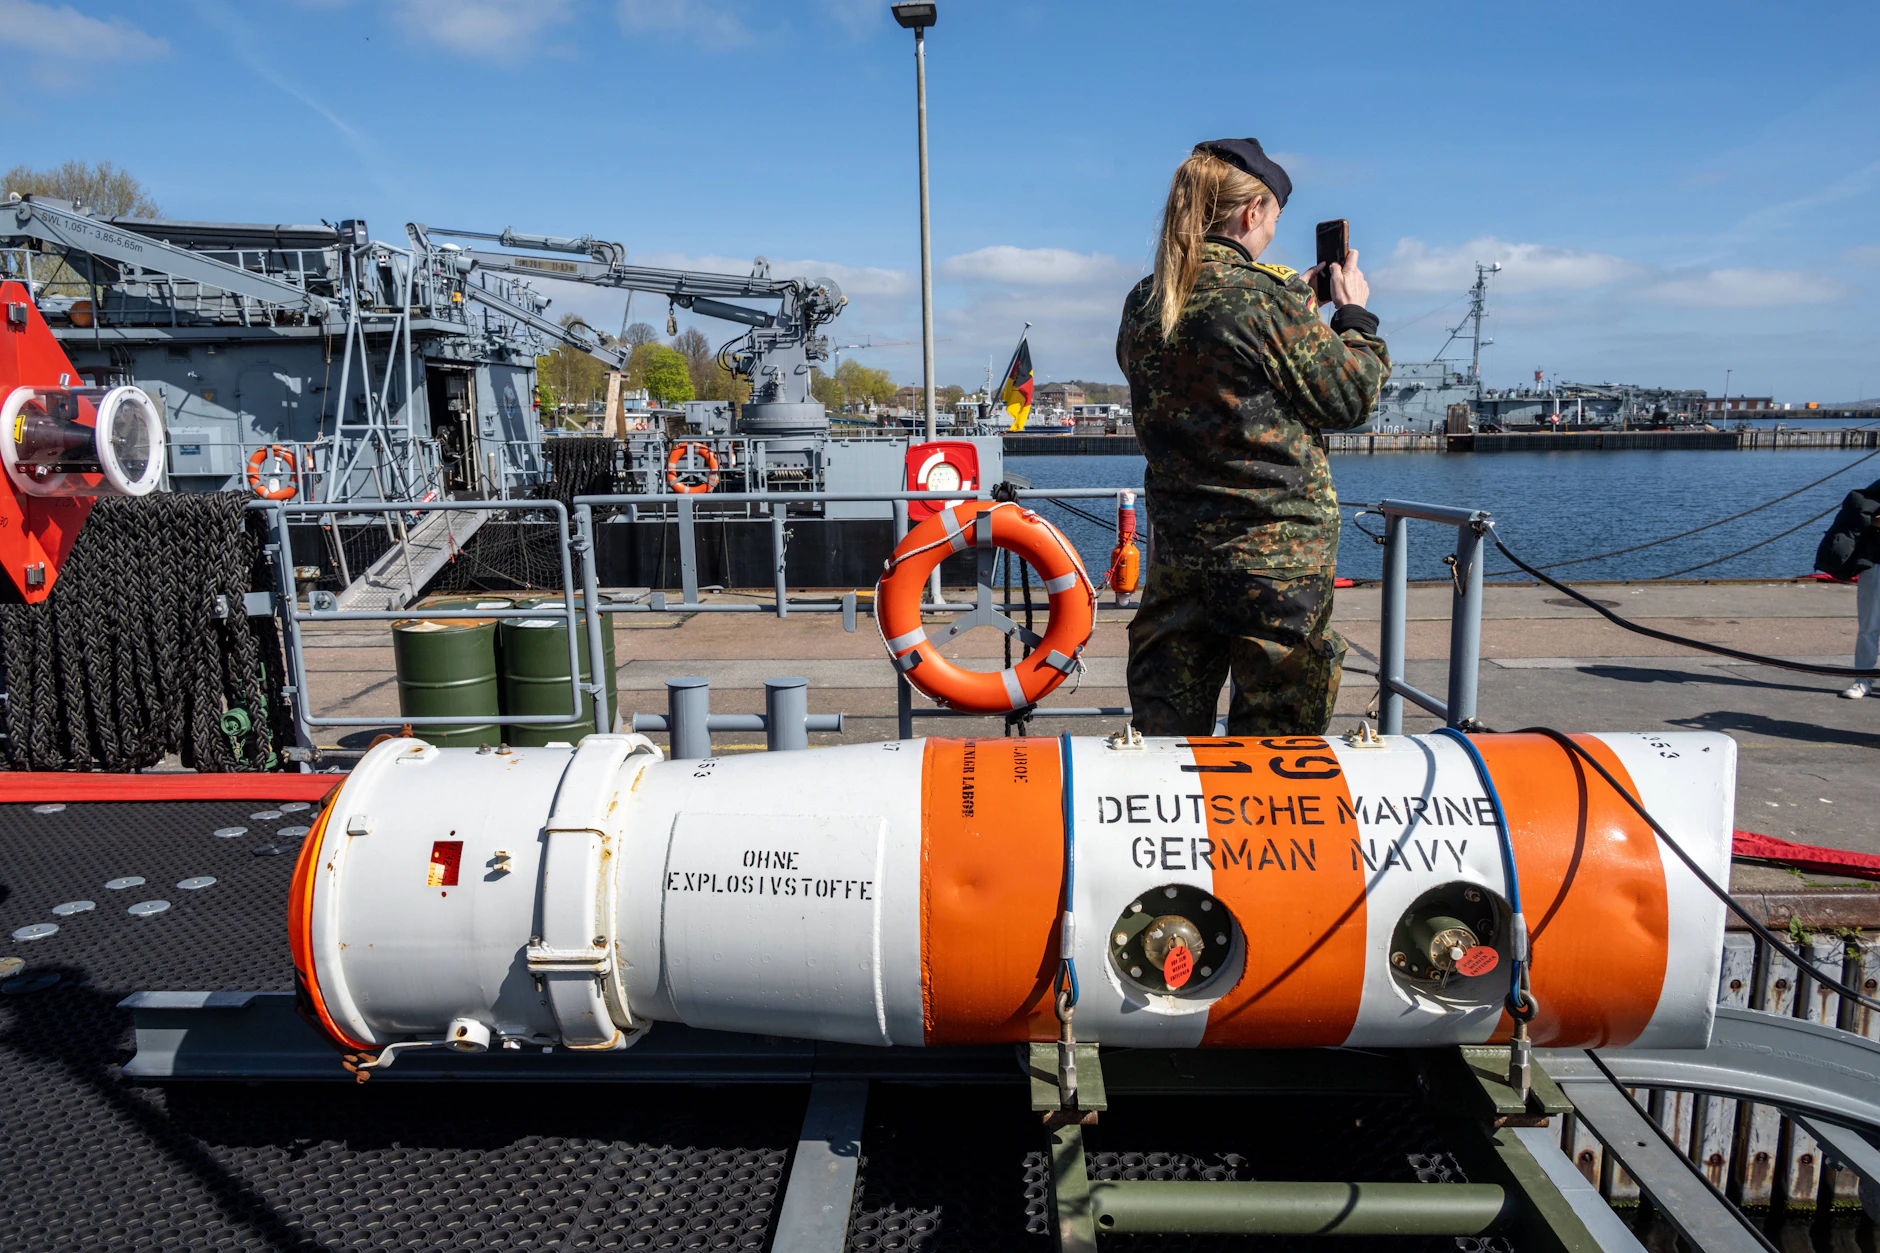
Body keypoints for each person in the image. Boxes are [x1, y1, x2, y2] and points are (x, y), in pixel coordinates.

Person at [1116, 138, 1389, 736]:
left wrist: (1297, 304)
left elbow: (1213, 365)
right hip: (1275, 565)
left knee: (1167, 740)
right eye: (1271, 222)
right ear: (1251, 213)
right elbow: (1352, 397)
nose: (1269, 236)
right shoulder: (1267, 301)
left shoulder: (1145, 302)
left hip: (1182, 557)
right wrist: (1353, 317)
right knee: (1276, 746)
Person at [1817, 477, 1880, 698]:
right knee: (1869, 626)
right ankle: (1863, 679)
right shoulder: (1875, 490)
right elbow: (1857, 507)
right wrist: (1870, 520)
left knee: (1869, 627)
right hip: (1877, 564)